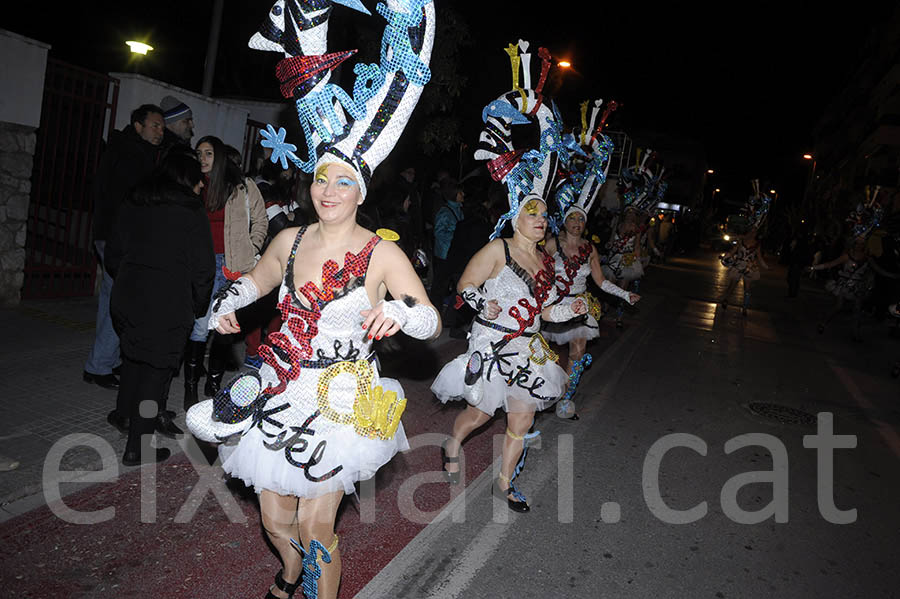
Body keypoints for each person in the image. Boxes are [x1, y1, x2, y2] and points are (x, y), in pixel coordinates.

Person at [188, 1, 437, 597]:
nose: (328, 190)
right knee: (275, 518)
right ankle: (290, 566)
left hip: (343, 395)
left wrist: (398, 311)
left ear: (361, 189)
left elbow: (427, 318)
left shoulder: (381, 252)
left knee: (314, 520)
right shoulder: (290, 237)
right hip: (282, 384)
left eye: (343, 180)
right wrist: (232, 300)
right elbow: (259, 279)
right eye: (322, 178)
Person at [432, 40, 588, 514]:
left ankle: (504, 482)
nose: (543, 220)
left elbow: (545, 309)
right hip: (491, 344)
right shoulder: (497, 249)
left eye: (545, 215)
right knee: (479, 414)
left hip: (531, 347)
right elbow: (463, 287)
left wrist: (571, 308)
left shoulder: (546, 261)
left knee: (520, 420)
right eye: (534, 213)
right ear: (517, 216)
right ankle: (452, 445)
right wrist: (484, 305)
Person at [105, 148, 214, 464]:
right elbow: (203, 268)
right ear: (186, 179)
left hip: (128, 294)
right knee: (155, 373)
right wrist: (198, 305)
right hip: (167, 303)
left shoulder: (135, 200)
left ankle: (124, 416)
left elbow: (113, 252)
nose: (201, 187)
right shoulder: (191, 211)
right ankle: (137, 448)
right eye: (198, 181)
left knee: (133, 358)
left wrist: (127, 276)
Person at [85, 104, 164, 392]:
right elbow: (131, 201)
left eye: (162, 127)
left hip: (114, 236)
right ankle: (100, 365)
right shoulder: (131, 154)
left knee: (114, 297)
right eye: (154, 125)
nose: (160, 131)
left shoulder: (130, 150)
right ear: (138, 125)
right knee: (116, 300)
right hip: (118, 238)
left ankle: (105, 360)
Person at [183, 135, 267, 407]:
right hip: (202, 264)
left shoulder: (242, 186)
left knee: (224, 327)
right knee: (198, 325)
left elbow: (261, 220)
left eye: (208, 154)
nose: (202, 159)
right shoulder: (193, 185)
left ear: (219, 157)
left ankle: (215, 381)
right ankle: (190, 385)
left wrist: (251, 248)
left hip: (232, 265)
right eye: (199, 154)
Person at [544, 210, 639, 418]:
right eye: (572, 218)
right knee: (543, 355)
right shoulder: (551, 245)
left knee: (577, 355)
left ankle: (565, 401)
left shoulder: (589, 249)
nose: (577, 223)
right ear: (564, 221)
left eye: (581, 219)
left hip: (579, 306)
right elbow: (537, 274)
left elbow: (601, 281)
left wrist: (625, 294)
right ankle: (543, 394)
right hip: (553, 305)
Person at [602, 208, 645, 327]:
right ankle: (604, 308)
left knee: (623, 289)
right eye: (628, 213)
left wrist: (635, 259)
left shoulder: (636, 229)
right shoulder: (618, 225)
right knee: (609, 285)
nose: (630, 216)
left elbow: (637, 247)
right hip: (614, 258)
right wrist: (609, 245)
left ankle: (619, 315)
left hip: (626, 261)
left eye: (633, 214)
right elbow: (611, 241)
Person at [720, 227, 768, 315]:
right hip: (738, 265)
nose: (753, 233)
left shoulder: (757, 244)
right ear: (748, 232)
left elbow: (760, 257)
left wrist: (766, 267)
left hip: (750, 268)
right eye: (751, 231)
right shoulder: (741, 242)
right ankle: (725, 300)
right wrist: (726, 257)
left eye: (755, 232)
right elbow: (733, 251)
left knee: (747, 289)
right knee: (732, 285)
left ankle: (745, 308)